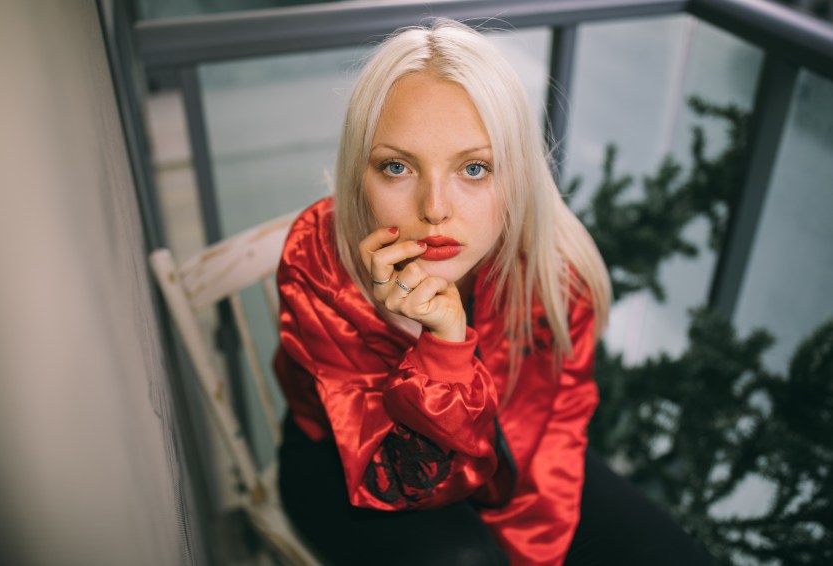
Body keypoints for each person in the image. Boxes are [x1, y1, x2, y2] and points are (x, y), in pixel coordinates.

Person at [274, 18, 710, 566]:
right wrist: (441, 349)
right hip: (342, 460)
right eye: (397, 166)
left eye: (474, 168)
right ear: (359, 173)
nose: (434, 208)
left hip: (512, 448)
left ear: (516, 175)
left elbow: (552, 439)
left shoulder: (554, 269)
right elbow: (397, 480)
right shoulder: (320, 257)